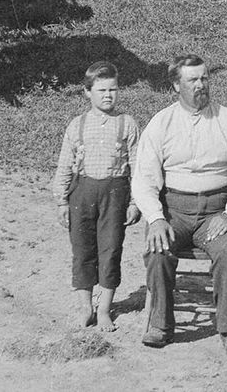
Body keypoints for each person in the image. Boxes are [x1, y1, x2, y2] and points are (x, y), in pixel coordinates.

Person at [131, 55, 227, 358]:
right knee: (157, 251)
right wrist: (156, 218)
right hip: (173, 213)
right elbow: (144, 178)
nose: (201, 85)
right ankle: (161, 325)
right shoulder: (161, 123)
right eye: (193, 80)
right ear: (177, 85)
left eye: (204, 78)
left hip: (215, 214)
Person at [51, 61, 142, 331]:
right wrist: (61, 201)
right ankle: (86, 308)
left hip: (115, 194)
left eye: (113, 89)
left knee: (110, 250)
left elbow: (138, 167)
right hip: (82, 193)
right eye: (101, 90)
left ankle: (104, 309)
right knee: (82, 251)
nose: (108, 95)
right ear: (87, 92)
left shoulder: (127, 124)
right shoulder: (76, 125)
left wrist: (135, 202)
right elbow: (64, 165)